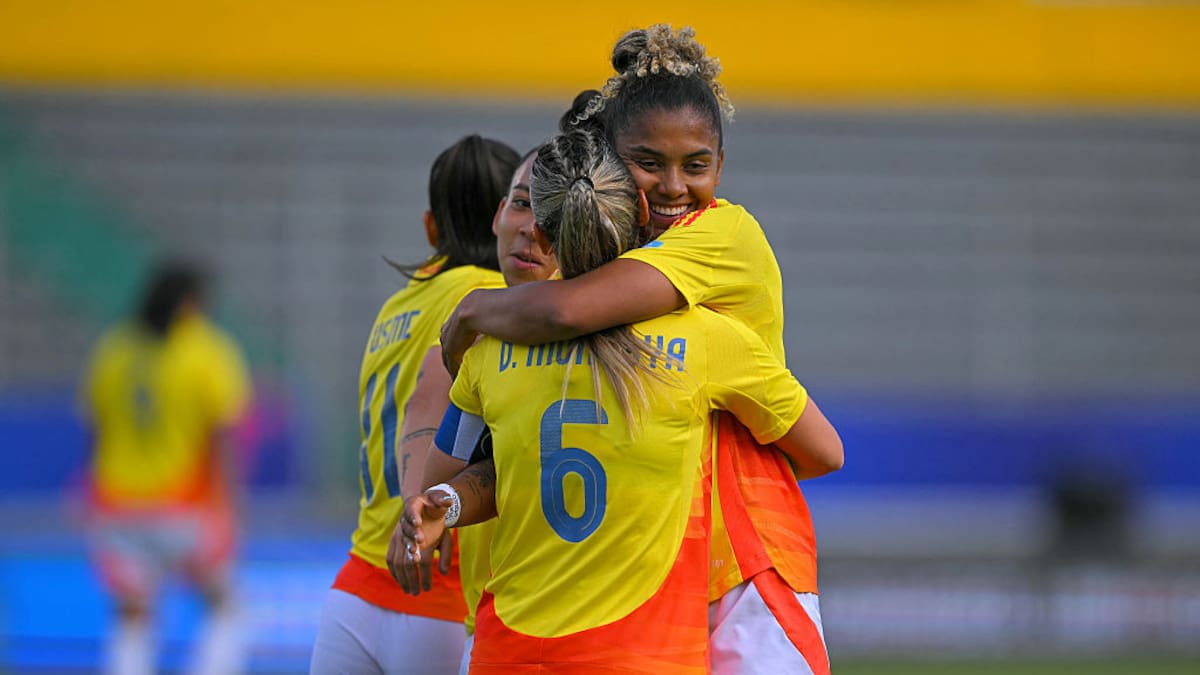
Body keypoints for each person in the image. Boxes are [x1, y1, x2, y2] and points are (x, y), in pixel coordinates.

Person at [438, 25, 840, 674]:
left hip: (745, 558)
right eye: (648, 163)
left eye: (695, 164)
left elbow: (568, 308)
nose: (675, 186)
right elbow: (460, 451)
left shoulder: (719, 235)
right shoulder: (604, 260)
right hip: (652, 570)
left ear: (720, 165)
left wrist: (472, 313)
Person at [309, 135, 518, 674]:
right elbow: (429, 406)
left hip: (355, 587)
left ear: (431, 228)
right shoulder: (494, 299)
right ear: (507, 218)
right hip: (439, 586)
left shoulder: (395, 307)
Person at [393, 148, 559, 674]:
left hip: (513, 616)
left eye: (551, 218)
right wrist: (423, 510)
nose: (531, 230)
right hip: (473, 612)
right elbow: (432, 403)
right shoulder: (481, 314)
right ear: (495, 212)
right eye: (520, 204)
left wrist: (419, 509)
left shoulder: (445, 304)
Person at [80, 260, 252, 675]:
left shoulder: (115, 348)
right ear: (192, 303)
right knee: (226, 606)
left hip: (117, 503)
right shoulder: (206, 350)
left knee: (133, 616)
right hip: (183, 504)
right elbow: (223, 435)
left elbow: (96, 426)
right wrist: (229, 505)